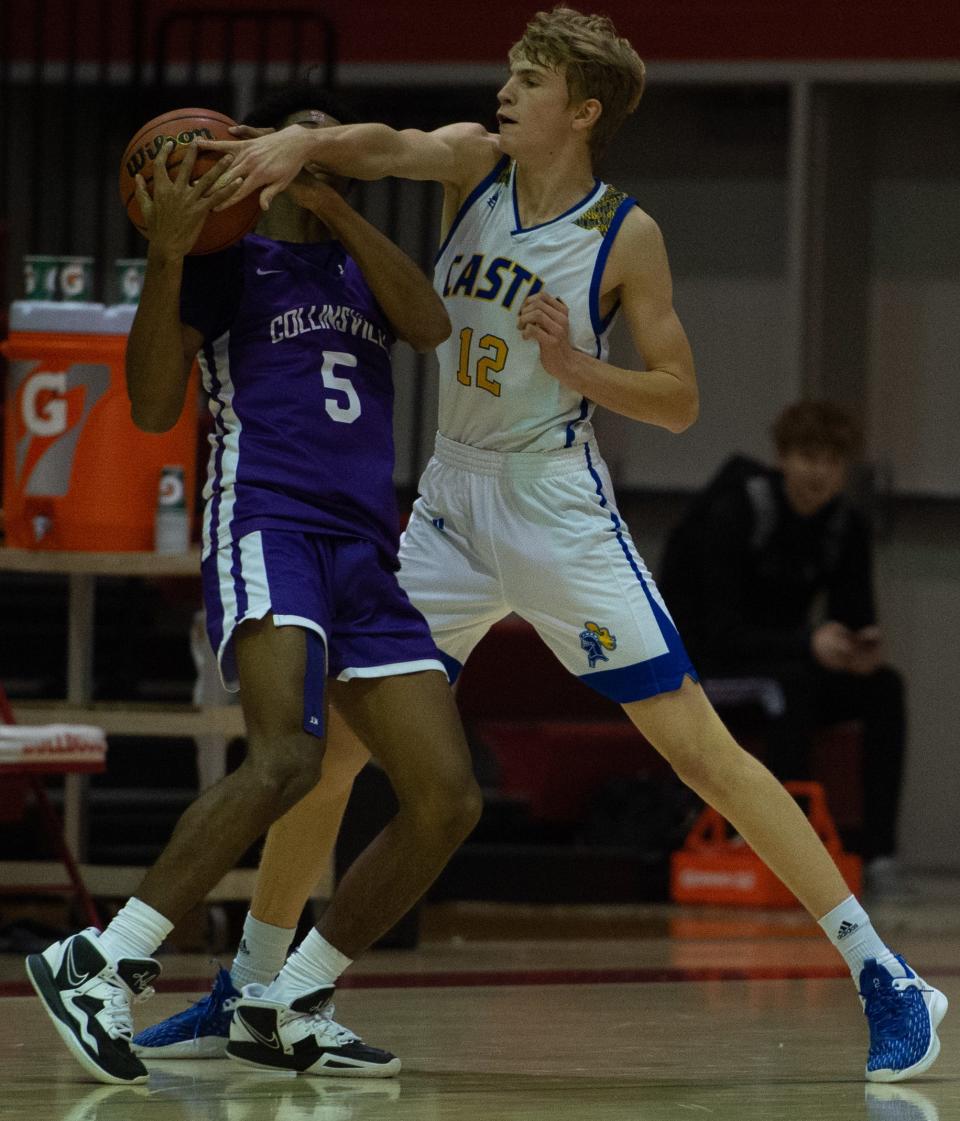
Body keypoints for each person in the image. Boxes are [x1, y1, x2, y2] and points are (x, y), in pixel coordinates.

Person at [150, 5, 944, 1083]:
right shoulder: (474, 166)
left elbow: (679, 400)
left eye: (528, 79)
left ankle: (884, 972)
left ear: (582, 109)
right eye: (510, 72)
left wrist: (581, 369)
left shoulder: (627, 234)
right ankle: (254, 983)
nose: (505, 90)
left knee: (700, 749)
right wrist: (300, 145)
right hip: (448, 501)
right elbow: (388, 146)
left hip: (554, 507)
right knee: (334, 749)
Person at [25, 82, 485, 1085]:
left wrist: (341, 206)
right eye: (299, 145)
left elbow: (431, 324)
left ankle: (291, 994)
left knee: (447, 797)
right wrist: (167, 251)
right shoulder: (223, 268)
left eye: (328, 146)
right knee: (287, 753)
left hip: (365, 549)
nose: (316, 157)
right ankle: (101, 961)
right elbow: (150, 407)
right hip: (268, 525)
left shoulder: (358, 262)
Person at [658, 401, 907, 891]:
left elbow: (854, 616)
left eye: (833, 462)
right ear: (781, 458)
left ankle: (880, 857)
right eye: (809, 457)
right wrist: (808, 643)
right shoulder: (735, 512)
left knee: (884, 687)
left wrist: (860, 650)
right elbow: (718, 635)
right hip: (707, 670)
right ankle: (792, 856)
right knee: (788, 685)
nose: (820, 473)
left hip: (786, 662)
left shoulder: (844, 526)